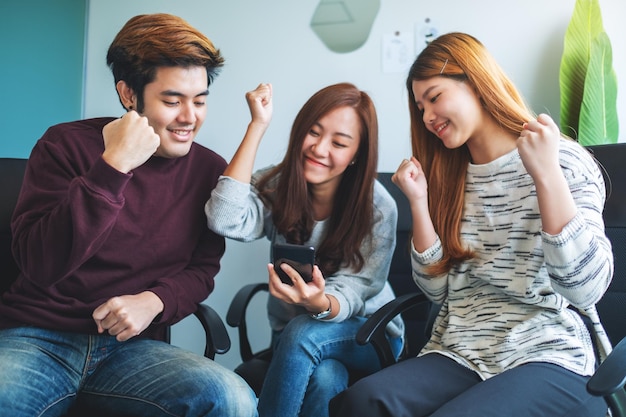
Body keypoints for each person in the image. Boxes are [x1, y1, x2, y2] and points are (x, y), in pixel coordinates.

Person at [329, 32, 614, 417]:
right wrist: (419, 202)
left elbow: (585, 289)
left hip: (548, 350)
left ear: (477, 83)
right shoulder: (447, 176)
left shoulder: (561, 160)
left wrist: (545, 174)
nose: (427, 117)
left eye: (435, 97)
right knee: (360, 402)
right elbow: (436, 290)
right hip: (462, 348)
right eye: (419, 106)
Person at [0, 13, 257, 417]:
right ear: (128, 94)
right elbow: (41, 263)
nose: (190, 117)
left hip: (133, 352)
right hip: (37, 338)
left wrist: (154, 301)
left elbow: (202, 269)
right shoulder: (64, 146)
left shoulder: (208, 169)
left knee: (233, 398)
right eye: (172, 101)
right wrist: (113, 166)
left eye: (201, 99)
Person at [205, 82, 404, 417]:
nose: (319, 149)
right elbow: (224, 219)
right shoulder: (278, 185)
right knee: (326, 378)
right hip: (295, 342)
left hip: (368, 334)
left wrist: (320, 304)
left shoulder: (378, 207)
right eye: (312, 132)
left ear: (357, 154)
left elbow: (359, 287)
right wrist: (257, 127)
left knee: (305, 330)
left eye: (339, 143)